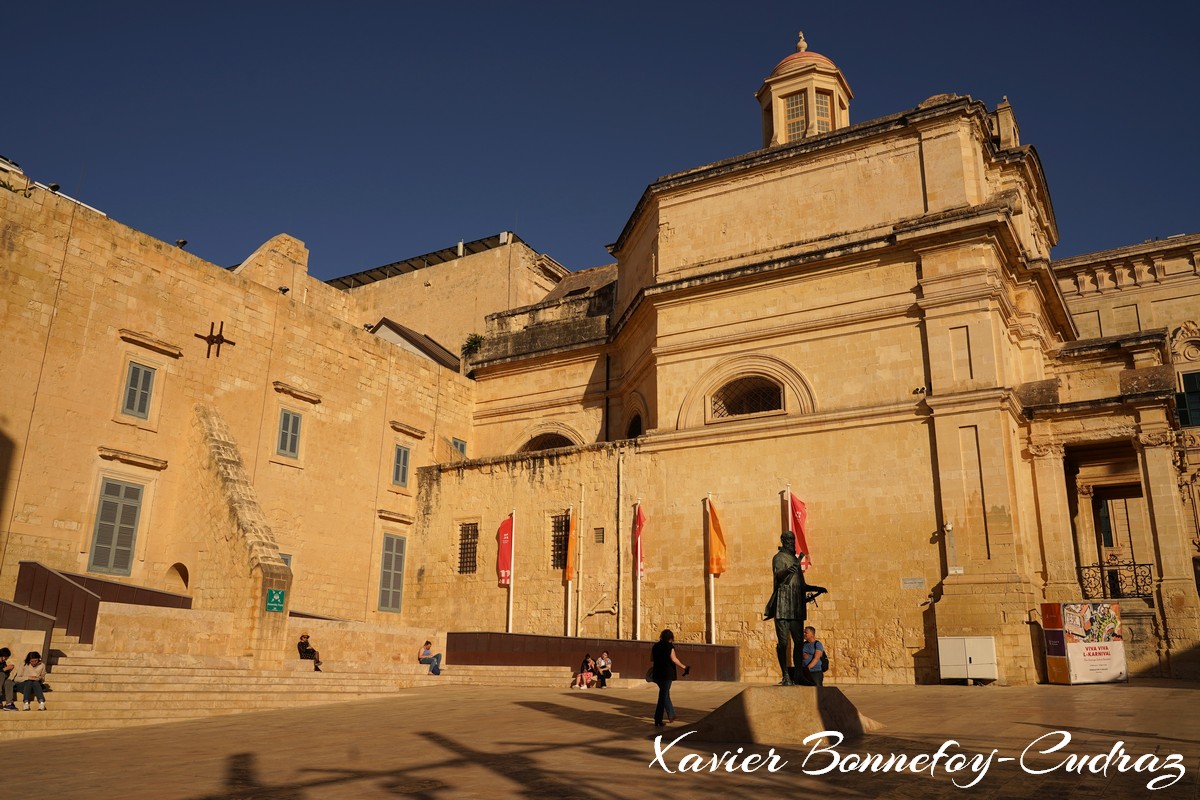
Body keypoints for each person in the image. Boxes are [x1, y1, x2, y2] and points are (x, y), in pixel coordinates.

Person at [764, 530, 827, 685]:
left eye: (792, 540)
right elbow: (779, 576)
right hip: (783, 606)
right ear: (783, 540)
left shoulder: (795, 560)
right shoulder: (779, 558)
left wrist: (817, 588)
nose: (791, 542)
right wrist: (788, 570)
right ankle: (786, 675)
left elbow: (801, 585)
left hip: (796, 607)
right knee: (783, 643)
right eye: (788, 539)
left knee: (799, 643)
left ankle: (798, 675)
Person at [649, 629, 688, 727]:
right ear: (670, 637)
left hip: (657, 674)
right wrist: (684, 667)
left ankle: (671, 715)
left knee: (665, 694)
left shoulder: (655, 646)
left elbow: (651, 659)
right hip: (667, 674)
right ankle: (658, 719)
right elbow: (674, 659)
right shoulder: (669, 646)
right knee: (662, 696)